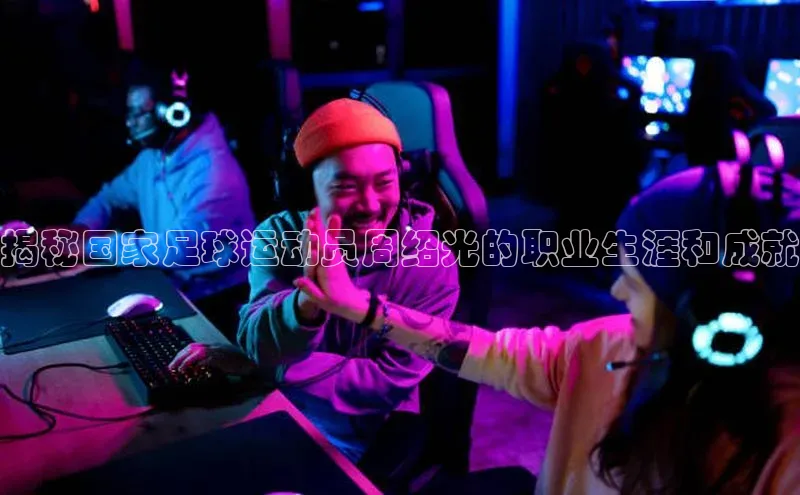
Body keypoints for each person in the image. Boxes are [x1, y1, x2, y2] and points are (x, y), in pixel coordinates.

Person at [292, 163, 800, 493]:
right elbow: (492, 354)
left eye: (636, 282)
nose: (617, 292)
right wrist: (361, 307)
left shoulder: (788, 452)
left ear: (709, 317)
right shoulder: (612, 345)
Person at [171, 97, 460, 463]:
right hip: (273, 404)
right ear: (306, 190)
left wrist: (266, 368)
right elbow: (256, 341)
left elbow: (387, 381)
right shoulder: (277, 236)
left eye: (384, 182)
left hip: (357, 438)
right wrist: (305, 305)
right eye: (346, 186)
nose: (371, 205)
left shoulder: (431, 265)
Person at [2, 62, 256, 335]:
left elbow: (178, 249)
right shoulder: (154, 157)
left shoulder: (215, 172)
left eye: (137, 113)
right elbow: (109, 198)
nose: (129, 122)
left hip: (218, 303)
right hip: (173, 286)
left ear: (173, 114)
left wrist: (86, 245)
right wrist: (80, 229)